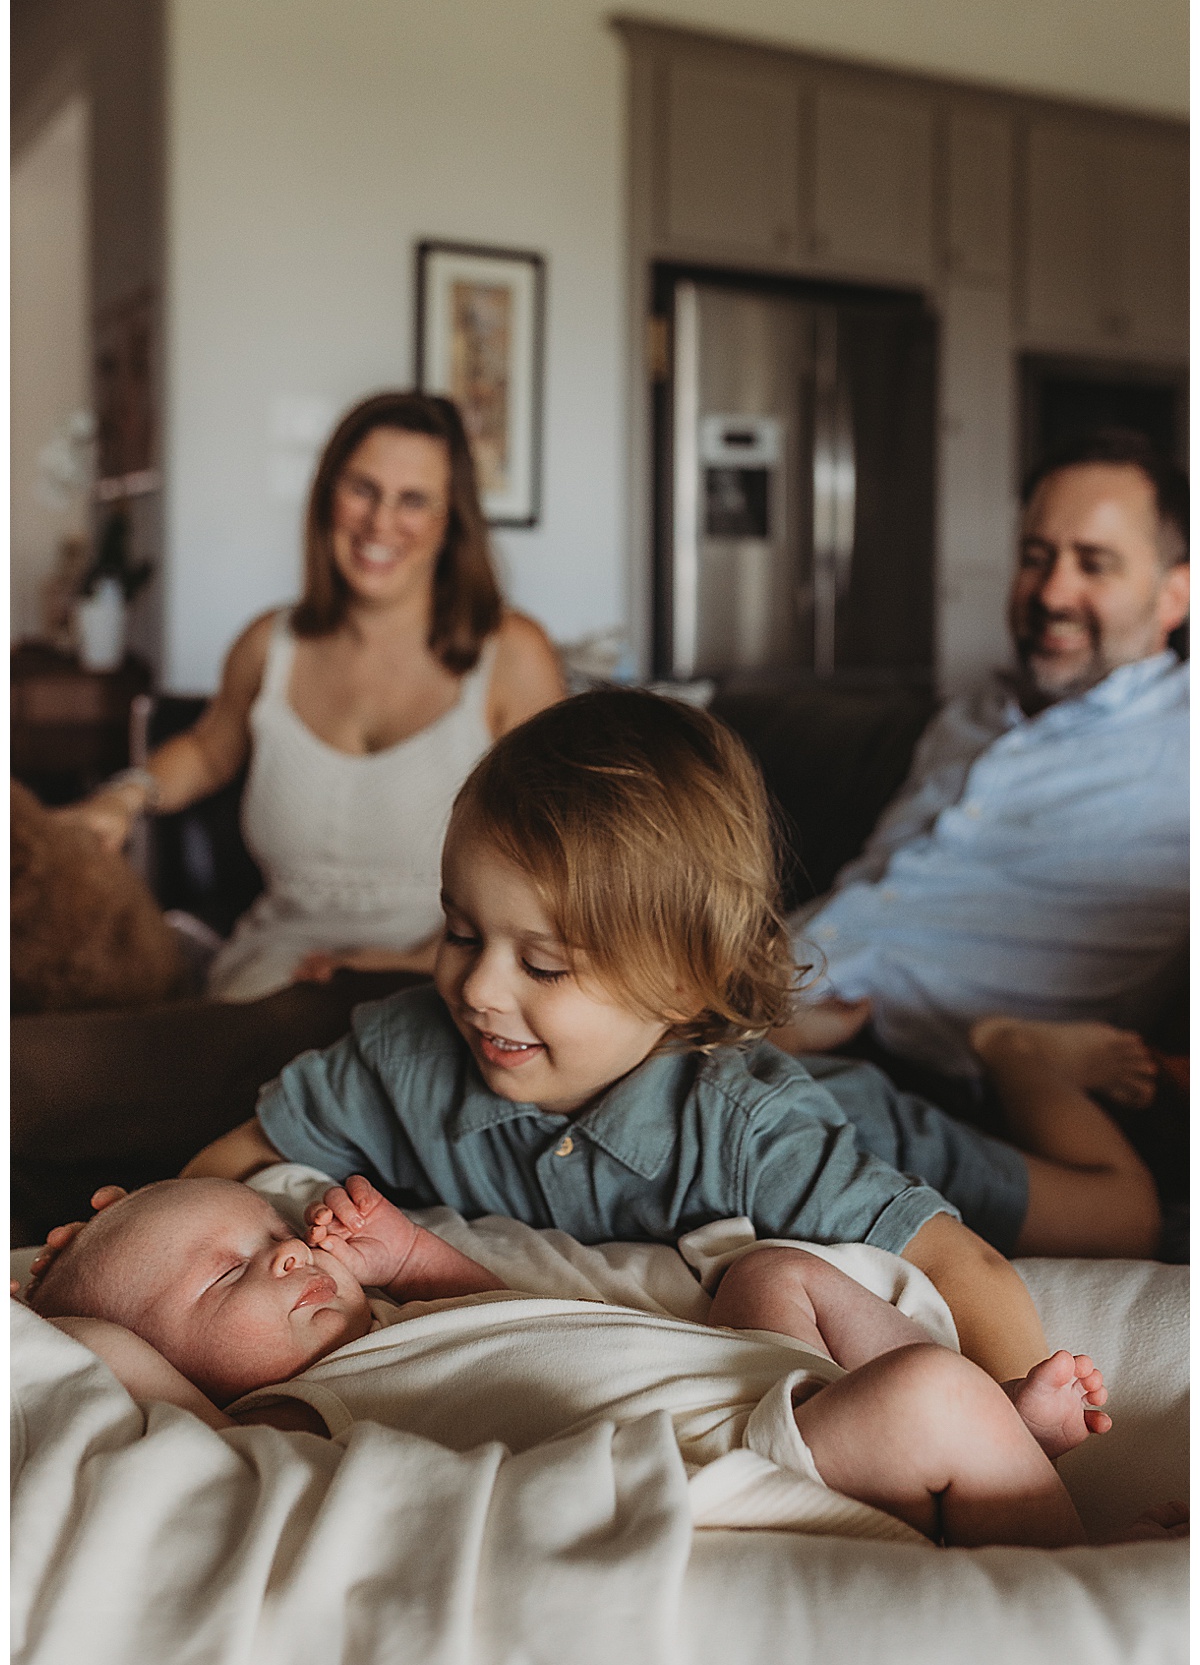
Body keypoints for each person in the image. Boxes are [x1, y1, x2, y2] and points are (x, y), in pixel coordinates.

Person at [175, 685, 1159, 1422]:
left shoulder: (755, 1134)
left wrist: (1015, 1411)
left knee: (1125, 1210)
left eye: (546, 965)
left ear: (683, 985)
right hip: (741, 1063)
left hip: (863, 1122)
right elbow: (236, 1154)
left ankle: (1018, 1049)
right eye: (463, 930)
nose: (478, 989)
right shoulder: (404, 1056)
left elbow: (965, 1263)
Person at [22, 1172, 1146, 1551]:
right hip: (748, 1452)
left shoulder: (386, 1323)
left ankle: (997, 1423)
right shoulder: (287, 1415)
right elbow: (119, 1359)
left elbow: (519, 1313)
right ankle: (1068, 1558)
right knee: (926, 1396)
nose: (279, 1263)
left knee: (773, 1270)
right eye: (226, 1284)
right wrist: (59, 1293)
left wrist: (415, 1254)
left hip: (746, 1363)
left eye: (269, 1235)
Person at [63, 391, 565, 1002]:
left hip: (445, 989)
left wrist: (412, 963)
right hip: (270, 978)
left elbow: (557, 857)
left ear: (450, 521)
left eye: (413, 500)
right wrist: (125, 795)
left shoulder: (513, 654)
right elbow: (209, 749)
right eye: (362, 489)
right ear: (327, 494)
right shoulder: (266, 644)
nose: (380, 523)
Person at [775, 429, 1189, 1085]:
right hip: (765, 995)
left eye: (1095, 564)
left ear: (1175, 594)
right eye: (1036, 556)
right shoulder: (968, 718)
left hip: (932, 1080)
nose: (1052, 594)